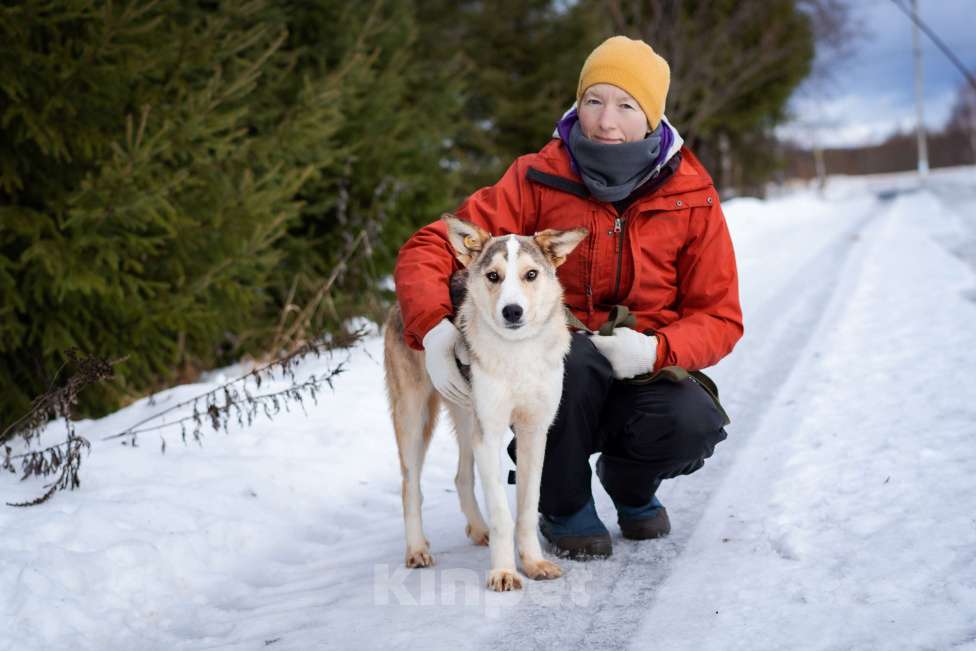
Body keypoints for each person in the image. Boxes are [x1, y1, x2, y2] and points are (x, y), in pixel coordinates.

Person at [393, 35, 743, 559]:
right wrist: (435, 329)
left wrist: (654, 351)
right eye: (594, 100)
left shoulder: (691, 195)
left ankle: (630, 487)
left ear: (651, 118)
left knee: (692, 421)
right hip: (564, 365)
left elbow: (720, 316)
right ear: (577, 104)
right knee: (568, 359)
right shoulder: (540, 176)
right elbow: (431, 244)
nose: (606, 121)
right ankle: (565, 505)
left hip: (640, 365)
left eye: (626, 105)